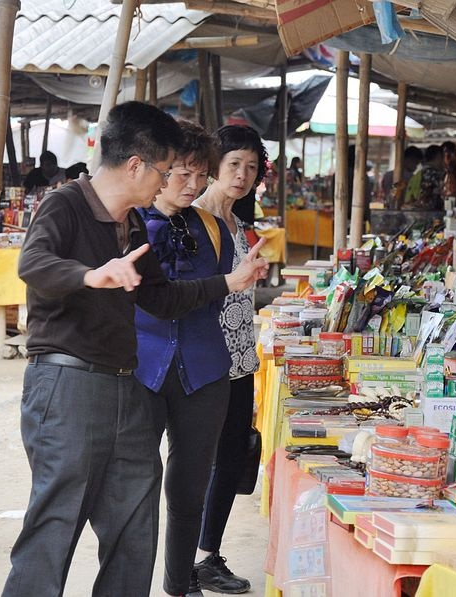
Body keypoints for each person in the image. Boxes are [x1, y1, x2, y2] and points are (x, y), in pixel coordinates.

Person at [3, 101, 268, 597]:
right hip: (68, 381)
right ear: (136, 166)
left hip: (126, 383)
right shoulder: (66, 204)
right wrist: (89, 275)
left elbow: (163, 298)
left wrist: (230, 282)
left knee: (134, 522)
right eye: (169, 172)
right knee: (57, 519)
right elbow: (34, 263)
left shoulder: (131, 224)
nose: (176, 183)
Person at [133, 120, 235, 596]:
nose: (192, 185)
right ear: (158, 169)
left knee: (190, 488)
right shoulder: (127, 223)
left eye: (200, 176)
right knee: (133, 488)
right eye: (180, 173)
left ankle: (179, 586)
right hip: (138, 370)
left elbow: (216, 299)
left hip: (205, 369)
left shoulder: (214, 229)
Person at [191, 125, 268, 595]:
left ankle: (206, 555)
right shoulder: (194, 220)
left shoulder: (239, 223)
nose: (242, 175)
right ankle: (187, 562)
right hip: (205, 359)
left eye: (252, 167)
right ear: (215, 164)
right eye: (235, 163)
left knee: (231, 456)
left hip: (241, 359)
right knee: (200, 462)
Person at [404, 144, 443, 210]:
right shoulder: (434, 173)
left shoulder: (419, 173)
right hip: (428, 212)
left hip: (415, 209)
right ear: (438, 157)